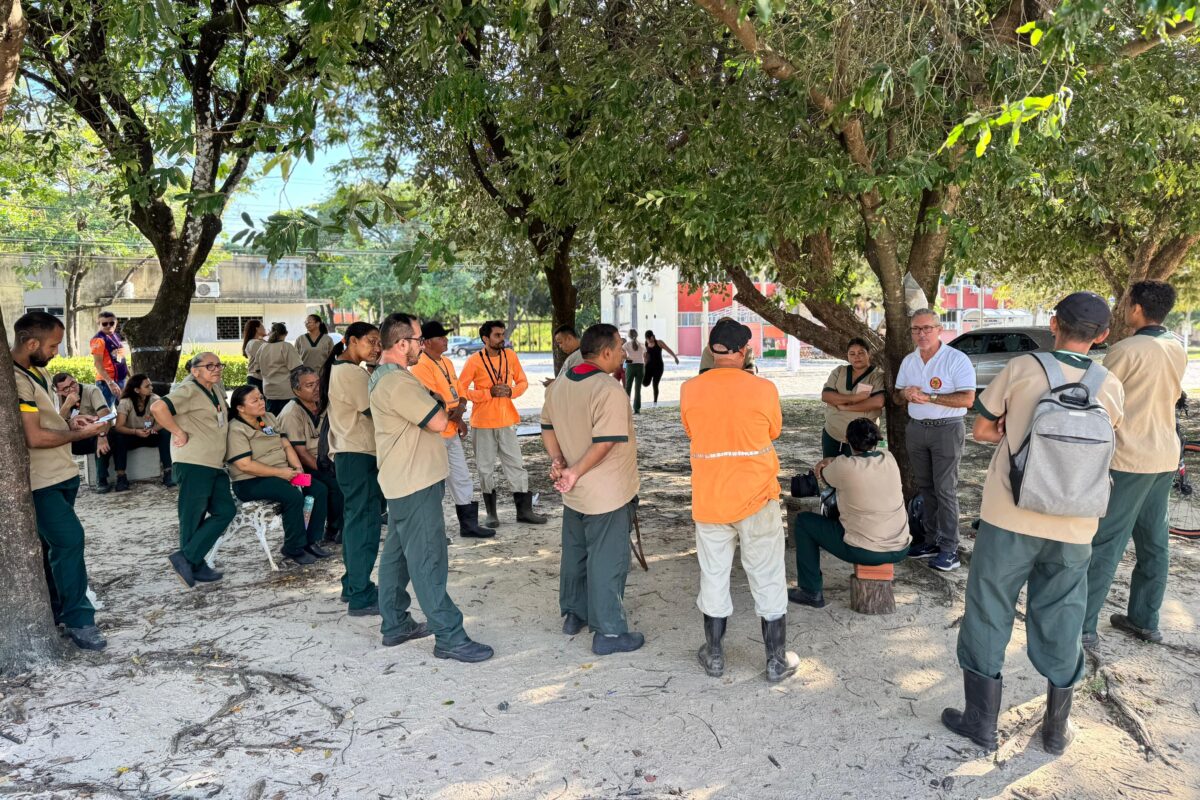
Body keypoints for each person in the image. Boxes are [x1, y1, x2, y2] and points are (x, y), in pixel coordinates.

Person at [943, 292, 1124, 756]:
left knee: (989, 606)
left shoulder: (1024, 368)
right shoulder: (1110, 385)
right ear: (1102, 336)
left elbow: (983, 429)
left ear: (1053, 324)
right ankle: (1055, 730)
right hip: (1076, 524)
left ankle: (981, 723)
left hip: (1011, 513)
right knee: (1064, 613)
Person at [370, 312, 495, 662]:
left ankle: (395, 623)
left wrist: (437, 401)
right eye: (418, 339)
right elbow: (441, 421)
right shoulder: (399, 383)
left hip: (402, 480)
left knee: (397, 556)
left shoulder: (386, 377)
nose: (422, 345)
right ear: (401, 343)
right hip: (415, 481)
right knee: (428, 558)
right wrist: (440, 403)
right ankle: (449, 635)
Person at [680, 319, 798, 682]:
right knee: (767, 575)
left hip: (711, 499)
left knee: (713, 575)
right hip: (757, 497)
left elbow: (691, 430)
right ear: (744, 351)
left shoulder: (689, 389)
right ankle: (776, 660)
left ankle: (714, 655)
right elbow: (773, 430)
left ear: (711, 350)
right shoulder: (764, 389)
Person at [1084, 281, 1187, 648]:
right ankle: (1145, 619)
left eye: (1128, 305)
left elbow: (1096, 398)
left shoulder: (1124, 350)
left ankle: (1083, 626)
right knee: (1154, 541)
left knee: (1106, 543)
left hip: (1129, 456)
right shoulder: (1178, 346)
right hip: (1165, 454)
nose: (1125, 310)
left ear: (1138, 309)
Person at [541, 323, 644, 655]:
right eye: (620, 348)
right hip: (606, 491)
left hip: (576, 492)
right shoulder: (608, 389)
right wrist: (572, 471)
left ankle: (574, 614)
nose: (624, 354)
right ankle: (609, 633)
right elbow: (606, 442)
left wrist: (559, 461)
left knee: (576, 552)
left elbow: (547, 426)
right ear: (606, 352)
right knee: (608, 559)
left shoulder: (558, 386)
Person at [13, 312, 109, 651]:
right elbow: (35, 437)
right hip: (41, 481)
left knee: (54, 548)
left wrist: (72, 418)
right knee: (69, 540)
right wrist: (77, 432)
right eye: (53, 345)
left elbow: (48, 419)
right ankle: (80, 619)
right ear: (32, 343)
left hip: (62, 473)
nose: (57, 351)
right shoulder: (15, 379)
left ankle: (57, 610)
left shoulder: (38, 371)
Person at [789, 418, 911, 607]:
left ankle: (810, 590)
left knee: (804, 522)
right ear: (876, 439)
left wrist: (829, 461)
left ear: (847, 440)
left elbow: (823, 475)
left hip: (865, 550)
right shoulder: (889, 458)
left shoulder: (844, 466)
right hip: (901, 546)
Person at [894, 309, 976, 571]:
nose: (921, 334)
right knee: (925, 487)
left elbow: (967, 399)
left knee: (945, 489)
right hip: (917, 428)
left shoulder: (955, 359)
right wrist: (905, 394)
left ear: (940, 330)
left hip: (947, 429)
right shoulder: (909, 361)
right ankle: (931, 540)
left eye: (927, 328)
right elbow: (896, 397)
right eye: (916, 329)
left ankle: (950, 548)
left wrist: (929, 397)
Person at [151, 352, 235, 589]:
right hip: (194, 461)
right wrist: (177, 431)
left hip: (215, 462)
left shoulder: (215, 388)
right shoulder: (188, 389)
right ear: (195, 370)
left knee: (225, 510)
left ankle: (187, 558)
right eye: (210, 366)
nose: (217, 369)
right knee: (192, 516)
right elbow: (158, 408)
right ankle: (194, 564)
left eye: (219, 364)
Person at [226, 385, 331, 565]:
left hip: (283, 474)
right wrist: (281, 473)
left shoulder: (268, 417)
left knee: (317, 488)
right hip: (251, 481)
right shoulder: (236, 429)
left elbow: (286, 445)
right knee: (292, 496)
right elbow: (245, 465)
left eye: (261, 398)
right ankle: (293, 547)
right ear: (240, 407)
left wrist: (297, 469)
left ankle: (311, 540)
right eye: (255, 400)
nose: (261, 402)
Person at [457, 320, 547, 527]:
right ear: (485, 339)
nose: (502, 339)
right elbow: (461, 390)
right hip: (483, 423)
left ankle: (524, 511)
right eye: (497, 335)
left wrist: (511, 391)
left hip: (507, 420)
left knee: (516, 465)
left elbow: (523, 382)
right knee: (485, 468)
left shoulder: (510, 356)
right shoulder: (474, 361)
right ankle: (491, 514)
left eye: (502, 334)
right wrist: (487, 393)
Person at [322, 321, 384, 616]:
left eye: (379, 343)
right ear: (351, 341)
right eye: (370, 341)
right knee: (365, 524)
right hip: (358, 455)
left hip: (352, 455)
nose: (376, 348)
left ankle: (353, 584)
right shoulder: (350, 373)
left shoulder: (345, 370)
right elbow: (379, 411)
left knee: (356, 522)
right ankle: (360, 594)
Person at [410, 320, 494, 538]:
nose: (446, 340)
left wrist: (461, 411)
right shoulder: (420, 366)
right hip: (434, 434)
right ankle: (434, 532)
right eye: (441, 337)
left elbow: (459, 391)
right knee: (434, 484)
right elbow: (430, 401)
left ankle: (469, 525)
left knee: (461, 477)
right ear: (427, 342)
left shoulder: (446, 361)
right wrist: (453, 414)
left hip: (451, 429)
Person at [277, 366, 343, 544]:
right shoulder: (292, 413)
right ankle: (329, 530)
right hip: (298, 469)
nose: (316, 388)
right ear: (296, 390)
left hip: (322, 459)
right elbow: (301, 454)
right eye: (309, 385)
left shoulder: (322, 405)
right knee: (330, 483)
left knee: (348, 476)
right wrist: (327, 469)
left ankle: (337, 527)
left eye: (318, 384)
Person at [820, 338, 887, 458]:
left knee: (857, 472)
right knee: (830, 470)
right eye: (852, 354)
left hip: (862, 437)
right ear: (847, 356)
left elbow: (878, 401)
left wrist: (845, 407)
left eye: (861, 353)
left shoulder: (876, 375)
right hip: (832, 432)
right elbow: (826, 396)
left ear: (869, 353)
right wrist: (854, 398)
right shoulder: (839, 371)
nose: (857, 357)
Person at [52, 372, 114, 492]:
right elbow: (56, 426)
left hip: (94, 432)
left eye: (73, 383)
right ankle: (62, 481)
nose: (72, 389)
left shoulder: (91, 391)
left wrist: (101, 435)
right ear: (58, 391)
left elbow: (106, 415)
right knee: (54, 440)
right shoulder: (55, 398)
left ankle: (102, 479)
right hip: (74, 436)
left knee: (103, 437)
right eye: (66, 388)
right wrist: (67, 405)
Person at [112, 373, 174, 489]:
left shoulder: (155, 399)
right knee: (118, 437)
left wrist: (153, 429)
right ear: (136, 390)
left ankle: (168, 472)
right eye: (147, 386)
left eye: (150, 385)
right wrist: (135, 432)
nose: (151, 388)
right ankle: (121, 477)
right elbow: (119, 426)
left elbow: (164, 420)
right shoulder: (125, 402)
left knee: (166, 432)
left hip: (151, 434)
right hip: (132, 435)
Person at [258, 322, 302, 415]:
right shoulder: (286, 346)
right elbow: (297, 368)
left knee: (272, 419)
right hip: (286, 391)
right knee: (288, 419)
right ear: (286, 333)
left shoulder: (263, 347)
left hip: (268, 390)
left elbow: (257, 368)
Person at [90, 310, 128, 406]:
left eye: (111, 323)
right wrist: (110, 383)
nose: (108, 326)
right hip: (106, 382)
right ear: (99, 324)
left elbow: (121, 359)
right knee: (106, 414)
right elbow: (97, 364)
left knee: (123, 410)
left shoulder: (115, 336)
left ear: (116, 323)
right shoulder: (98, 340)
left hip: (121, 379)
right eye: (104, 324)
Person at [641, 331, 678, 406]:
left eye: (649, 339)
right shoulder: (646, 343)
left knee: (655, 384)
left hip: (658, 367)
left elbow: (668, 349)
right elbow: (645, 356)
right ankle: (649, 379)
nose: (648, 341)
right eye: (647, 340)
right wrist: (644, 362)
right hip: (649, 366)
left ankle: (655, 403)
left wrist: (675, 357)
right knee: (644, 383)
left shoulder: (659, 342)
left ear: (652, 337)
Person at [622, 328, 646, 413]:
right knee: (638, 388)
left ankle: (625, 408)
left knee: (628, 387)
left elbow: (622, 355)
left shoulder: (626, 345)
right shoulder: (642, 344)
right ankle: (637, 409)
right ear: (637, 335)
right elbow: (645, 356)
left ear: (629, 335)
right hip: (640, 366)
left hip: (630, 366)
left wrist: (628, 359)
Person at [242, 319, 266, 391]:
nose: (265, 328)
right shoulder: (254, 343)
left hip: (258, 378)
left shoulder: (259, 342)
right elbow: (269, 354)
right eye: (262, 326)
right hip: (256, 379)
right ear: (257, 329)